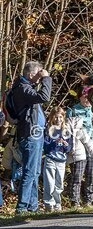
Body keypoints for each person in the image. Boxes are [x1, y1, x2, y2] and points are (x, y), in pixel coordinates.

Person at [6, 60, 52, 216]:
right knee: (29, 172)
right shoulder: (22, 89)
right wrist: (46, 79)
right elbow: (44, 96)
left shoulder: (27, 87)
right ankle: (22, 207)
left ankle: (33, 207)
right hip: (30, 135)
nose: (40, 76)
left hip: (36, 135)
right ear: (31, 74)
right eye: (39, 73)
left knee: (35, 172)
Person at [67, 86, 93, 208]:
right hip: (79, 148)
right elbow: (70, 130)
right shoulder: (73, 110)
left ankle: (89, 201)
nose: (87, 99)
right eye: (84, 96)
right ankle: (75, 201)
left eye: (89, 97)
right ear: (80, 96)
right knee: (77, 175)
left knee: (92, 175)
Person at [41, 107, 73, 212]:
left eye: (60, 117)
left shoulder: (66, 130)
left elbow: (69, 148)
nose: (58, 119)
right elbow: (45, 146)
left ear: (63, 118)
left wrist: (65, 144)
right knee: (49, 183)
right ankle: (49, 204)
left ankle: (57, 204)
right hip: (50, 158)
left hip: (62, 161)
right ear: (52, 117)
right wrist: (54, 143)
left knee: (59, 184)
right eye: (56, 117)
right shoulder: (48, 129)